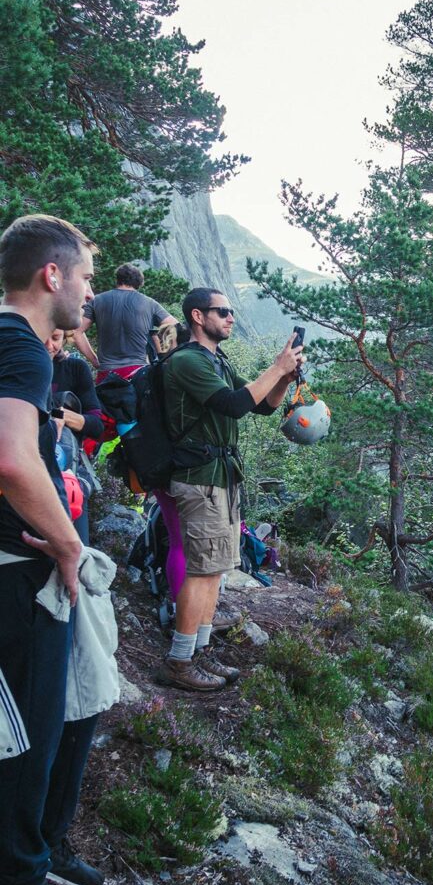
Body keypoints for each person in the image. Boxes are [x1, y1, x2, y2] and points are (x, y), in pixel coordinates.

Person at [0, 214, 100, 885]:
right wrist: (68, 548)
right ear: (52, 275)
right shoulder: (22, 347)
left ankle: (30, 862)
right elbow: (10, 459)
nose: (89, 293)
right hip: (19, 571)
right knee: (26, 737)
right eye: (86, 277)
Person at [155, 287, 303, 691]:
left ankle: (199, 652)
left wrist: (284, 380)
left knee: (214, 571)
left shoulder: (214, 360)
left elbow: (259, 405)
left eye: (232, 311)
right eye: (223, 311)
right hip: (199, 480)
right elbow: (232, 405)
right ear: (198, 317)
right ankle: (179, 661)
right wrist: (276, 365)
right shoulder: (186, 361)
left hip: (220, 478)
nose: (231, 317)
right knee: (201, 573)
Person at [73, 262, 178, 382]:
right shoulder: (150, 303)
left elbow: (76, 332)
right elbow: (175, 327)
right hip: (139, 373)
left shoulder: (97, 301)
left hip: (107, 374)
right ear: (139, 283)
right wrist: (164, 359)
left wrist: (95, 361)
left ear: (118, 279)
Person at [45, 329, 104, 544]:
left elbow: (96, 424)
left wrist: (60, 415)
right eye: (43, 335)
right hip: (24, 469)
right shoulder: (15, 364)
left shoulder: (74, 368)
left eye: (56, 338)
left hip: (67, 471)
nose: (49, 344)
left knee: (77, 551)